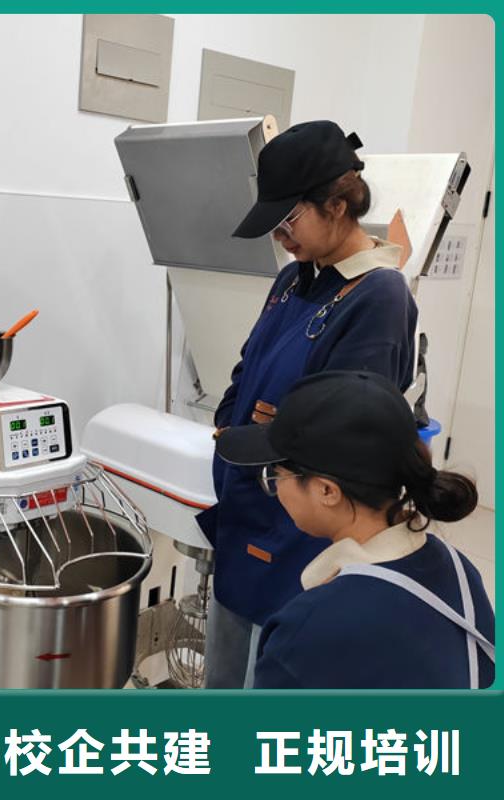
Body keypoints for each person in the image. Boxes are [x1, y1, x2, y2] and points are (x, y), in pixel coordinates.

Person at [196, 120, 419, 688]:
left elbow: (345, 433)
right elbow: (247, 371)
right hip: (247, 510)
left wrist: (261, 442)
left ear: (337, 206)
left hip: (300, 528)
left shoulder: (379, 297)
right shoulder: (294, 281)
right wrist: (229, 427)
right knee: (223, 678)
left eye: (288, 220)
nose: (280, 237)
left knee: (269, 686)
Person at [214, 370, 494, 689]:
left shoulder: (307, 632)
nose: (276, 489)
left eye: (275, 475)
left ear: (327, 491)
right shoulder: (461, 571)